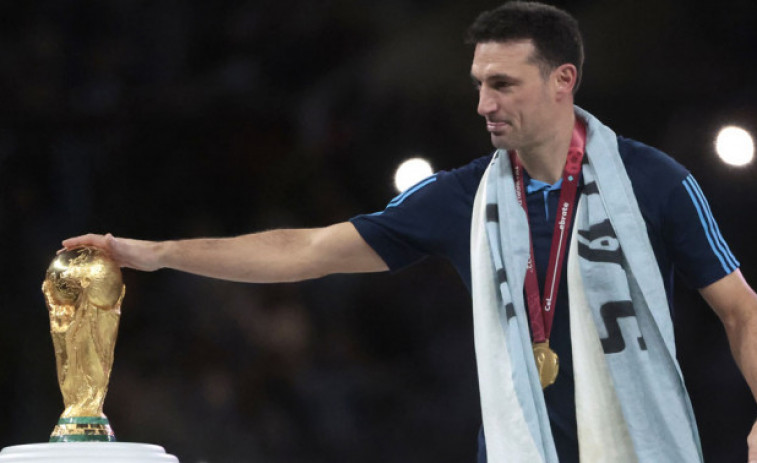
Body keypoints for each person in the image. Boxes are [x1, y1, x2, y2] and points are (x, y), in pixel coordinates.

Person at [62, 2, 757, 462]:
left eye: (503, 84)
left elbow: (740, 310)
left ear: (561, 81)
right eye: (478, 83)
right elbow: (306, 249)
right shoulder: (462, 196)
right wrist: (153, 253)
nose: (483, 103)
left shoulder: (652, 180)